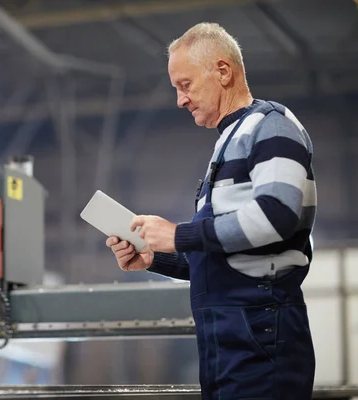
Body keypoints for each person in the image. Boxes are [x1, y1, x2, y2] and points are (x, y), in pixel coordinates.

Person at [106, 22, 317, 399]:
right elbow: (222, 257)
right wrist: (154, 257)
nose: (180, 100)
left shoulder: (271, 127)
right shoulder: (229, 143)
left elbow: (277, 216)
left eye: (185, 85)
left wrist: (176, 234)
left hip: (262, 334)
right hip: (227, 340)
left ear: (223, 71)